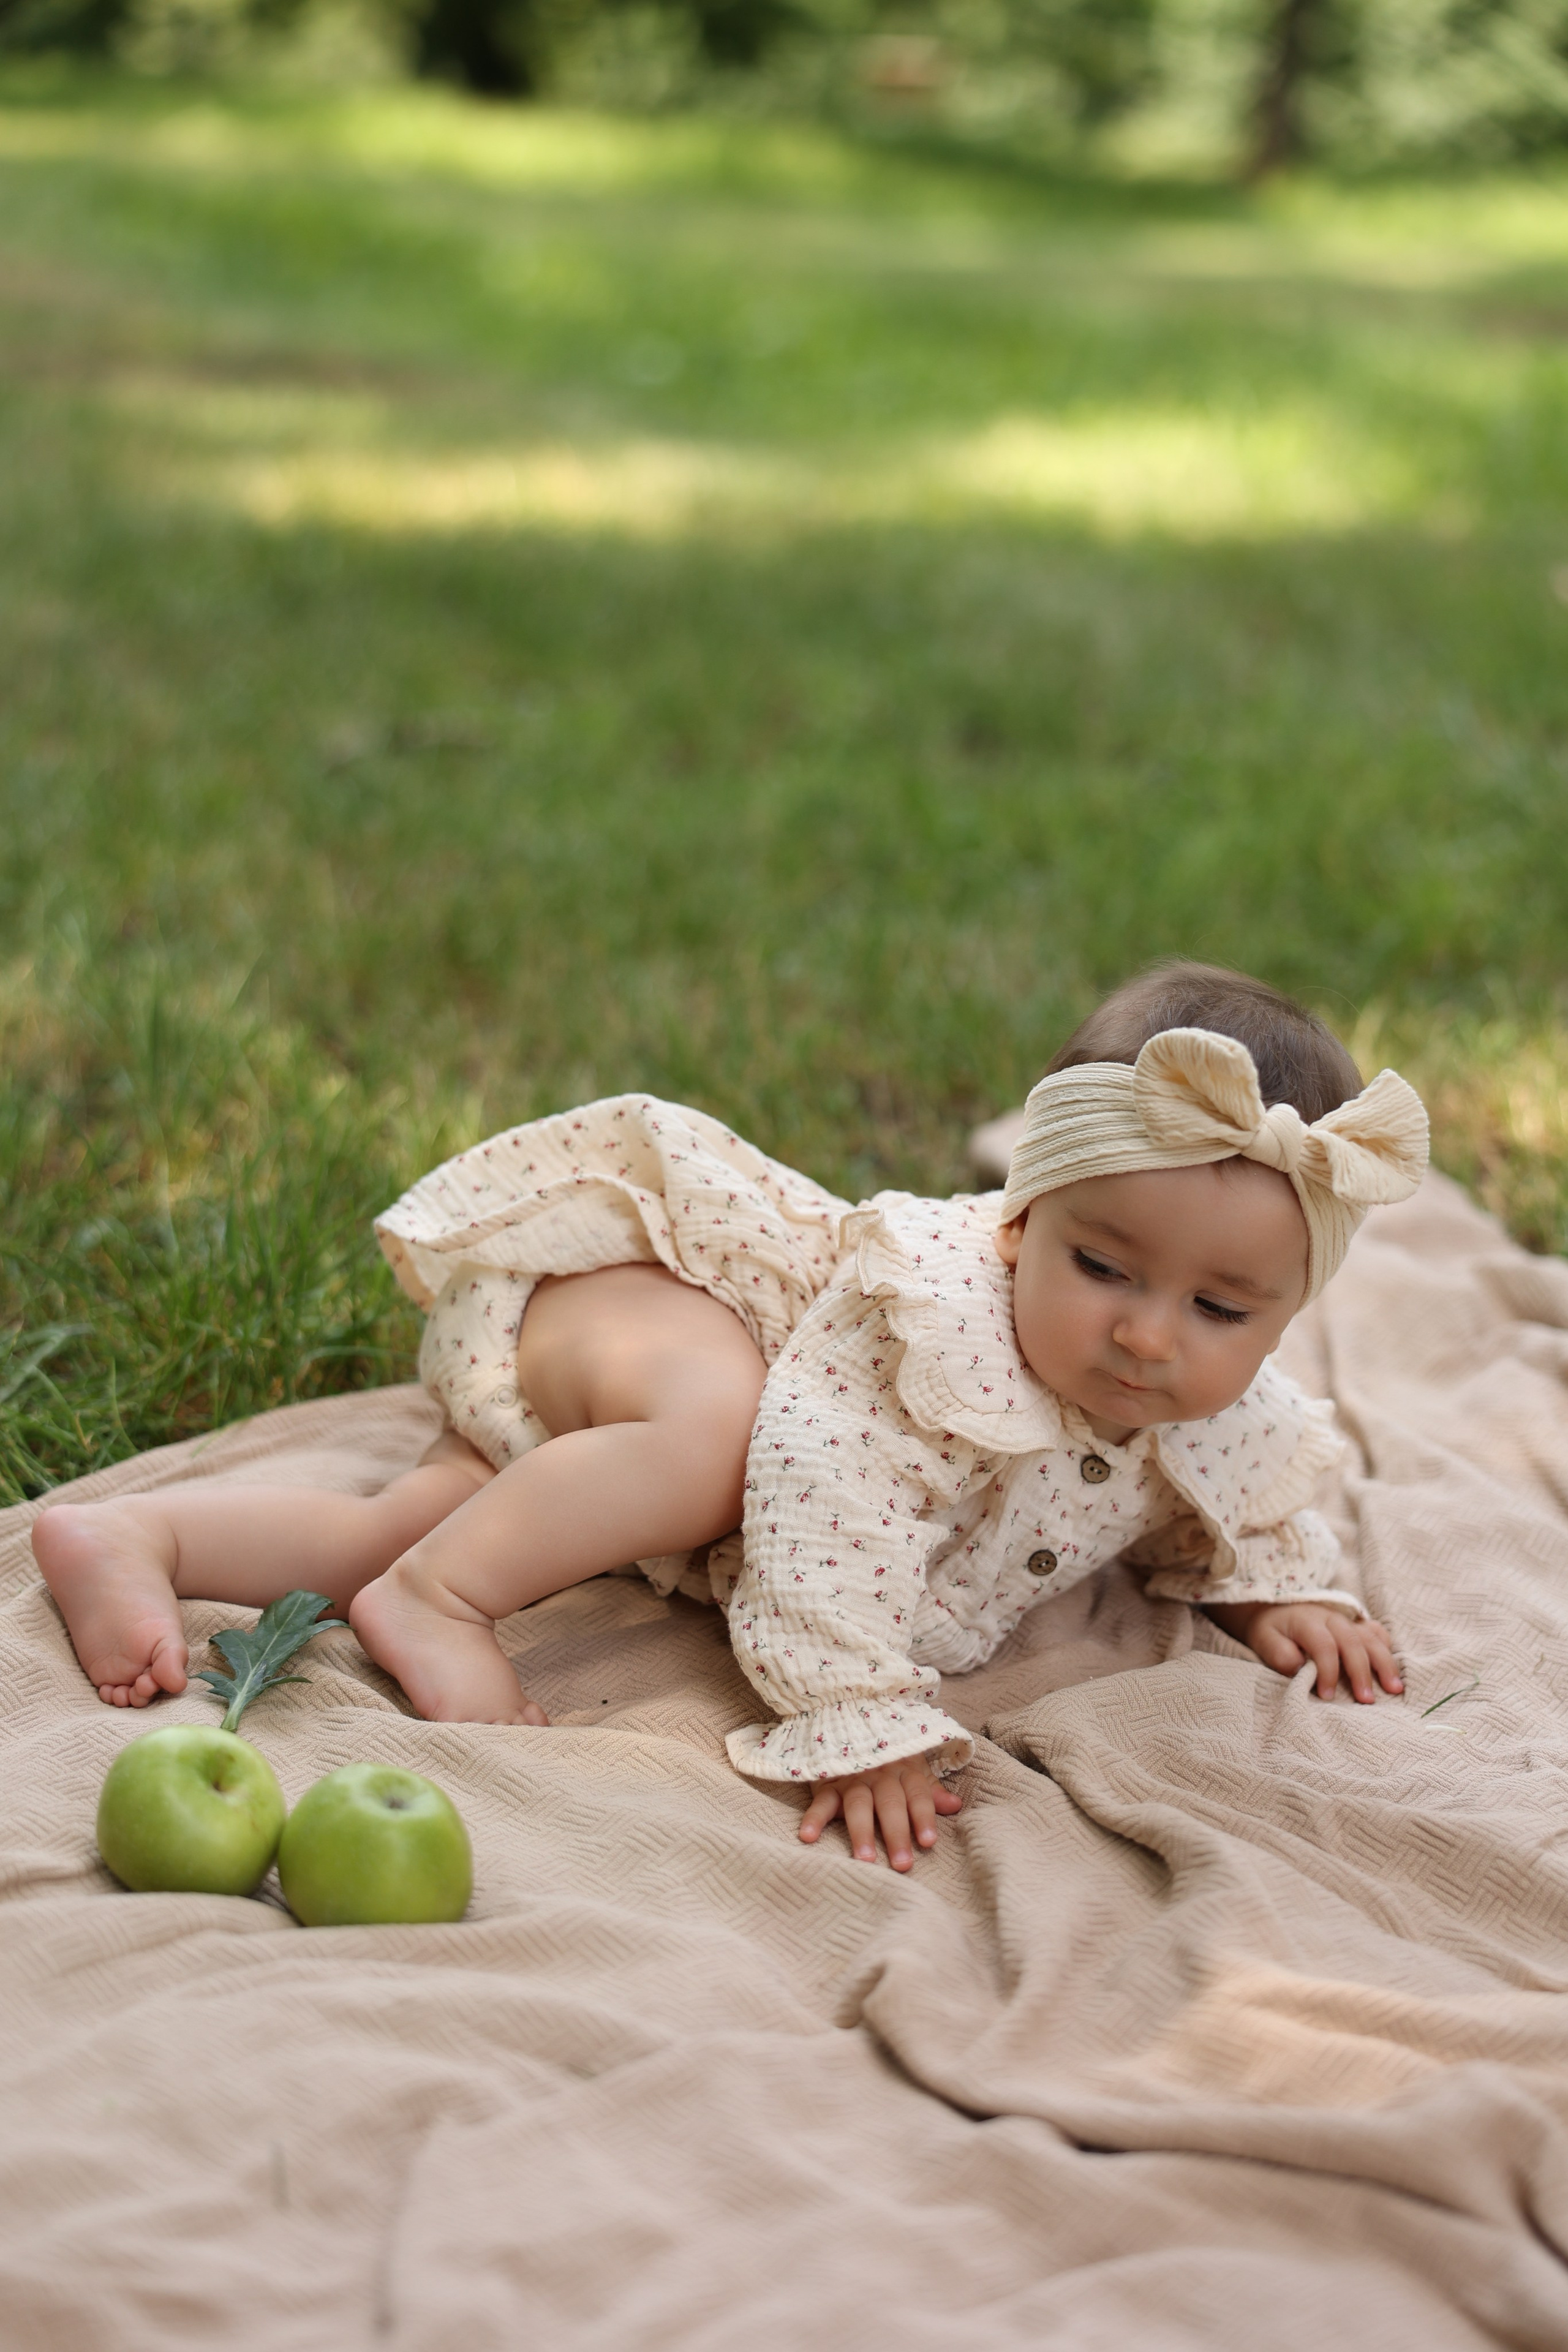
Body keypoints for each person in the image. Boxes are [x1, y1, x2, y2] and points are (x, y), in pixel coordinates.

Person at [35, 962, 1429, 1870]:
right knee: (717, 1441)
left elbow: (1246, 1476)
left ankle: (139, 1539)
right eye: (1103, 1266)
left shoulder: (1197, 1391)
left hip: (577, 1419)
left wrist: (1271, 1586)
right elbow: (821, 1507)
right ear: (1018, 1225)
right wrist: (861, 1711)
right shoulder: (923, 1331)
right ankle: (441, 1607)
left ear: (1283, 1314)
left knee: (420, 1515)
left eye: (1219, 1311)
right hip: (627, 1310)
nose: (1145, 1332)